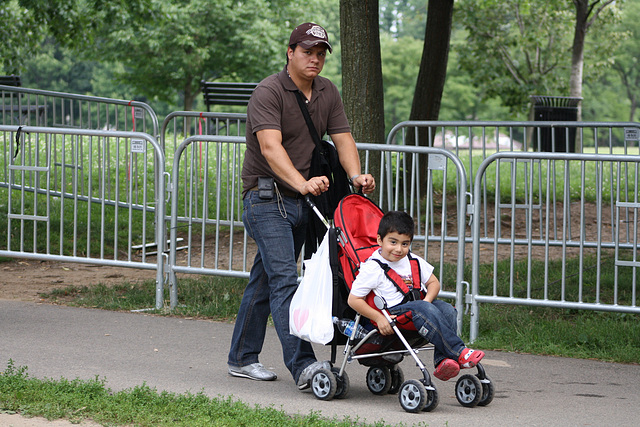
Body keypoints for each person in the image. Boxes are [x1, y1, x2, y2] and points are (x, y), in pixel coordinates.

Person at [227, 22, 376, 389]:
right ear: (290, 52)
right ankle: (304, 365)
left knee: (265, 280)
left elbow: (343, 139)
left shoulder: (327, 91)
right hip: (265, 199)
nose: (315, 59)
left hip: (301, 201)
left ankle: (241, 357)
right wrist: (302, 182)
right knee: (284, 281)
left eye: (321, 53)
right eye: (307, 51)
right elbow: (270, 148)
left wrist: (356, 176)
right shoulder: (269, 91)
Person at [348, 211, 484, 381]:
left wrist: (427, 303)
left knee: (448, 310)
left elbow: (434, 283)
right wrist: (378, 317)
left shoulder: (413, 261)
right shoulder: (372, 268)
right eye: (393, 242)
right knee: (423, 308)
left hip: (418, 308)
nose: (399, 249)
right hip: (393, 314)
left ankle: (443, 361)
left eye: (405, 244)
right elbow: (353, 299)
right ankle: (459, 352)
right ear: (379, 240)